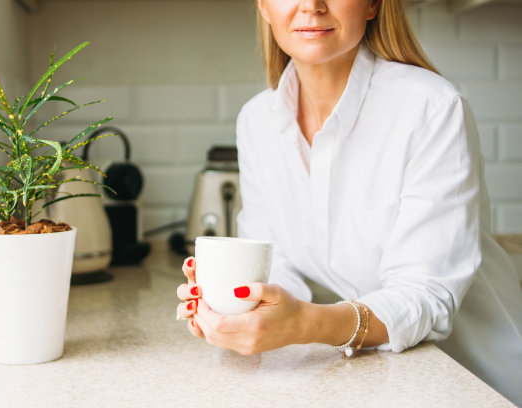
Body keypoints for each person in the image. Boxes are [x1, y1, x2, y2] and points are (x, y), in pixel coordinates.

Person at [175, 0, 522, 404]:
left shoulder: (432, 108)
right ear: (264, 7)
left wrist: (306, 324)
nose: (312, 6)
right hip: (373, 378)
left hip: (472, 380)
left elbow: (426, 295)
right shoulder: (256, 120)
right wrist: (238, 313)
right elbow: (276, 266)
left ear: (374, 4)